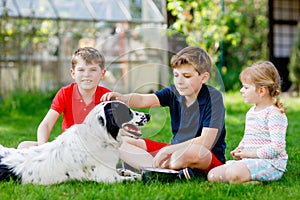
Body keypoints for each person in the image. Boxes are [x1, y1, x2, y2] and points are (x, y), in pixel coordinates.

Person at [101, 46, 226, 178]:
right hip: (175, 153)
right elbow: (144, 100)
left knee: (193, 153)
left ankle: (158, 168)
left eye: (187, 76)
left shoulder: (213, 98)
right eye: (176, 75)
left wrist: (167, 150)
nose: (180, 81)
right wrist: (123, 98)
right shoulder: (173, 93)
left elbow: (205, 142)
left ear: (204, 77)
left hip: (205, 156)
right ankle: (163, 172)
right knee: (122, 142)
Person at [207, 61, 288, 184]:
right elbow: (248, 137)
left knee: (233, 173)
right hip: (250, 160)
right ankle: (244, 178)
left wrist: (250, 154)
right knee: (212, 175)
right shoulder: (251, 112)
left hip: (270, 164)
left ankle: (251, 180)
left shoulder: (275, 114)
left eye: (245, 87)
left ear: (261, 91)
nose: (241, 90)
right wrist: (241, 149)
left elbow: (277, 147)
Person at [18, 47, 111, 149]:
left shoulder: (108, 96)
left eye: (93, 70)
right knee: (24, 146)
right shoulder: (65, 93)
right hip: (68, 148)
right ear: (73, 73)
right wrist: (42, 149)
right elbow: (46, 125)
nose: (87, 74)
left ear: (102, 74)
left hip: (95, 149)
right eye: (81, 70)